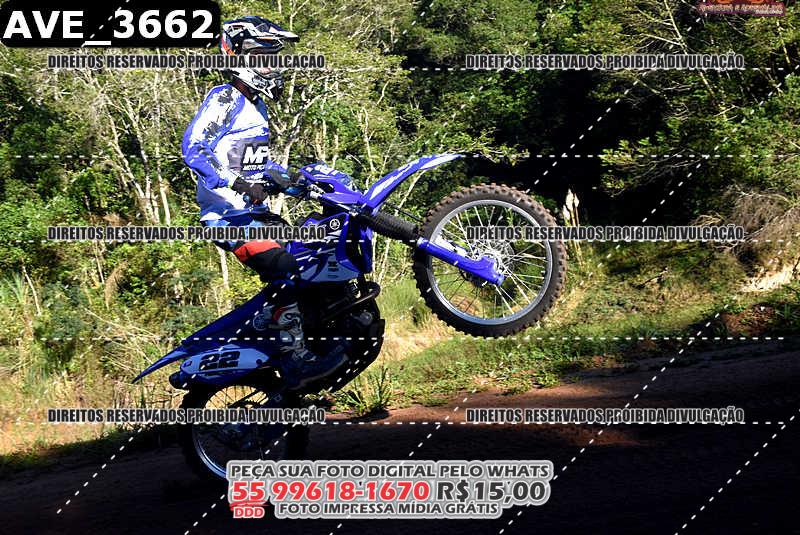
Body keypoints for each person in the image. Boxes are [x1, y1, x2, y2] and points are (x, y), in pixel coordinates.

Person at [181, 16, 345, 389]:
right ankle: (294, 360)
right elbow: (194, 149)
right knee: (284, 267)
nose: (271, 65)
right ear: (238, 56)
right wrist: (237, 182)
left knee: (315, 259)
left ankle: (294, 330)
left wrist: (299, 183)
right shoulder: (225, 98)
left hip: (256, 214)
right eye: (263, 57)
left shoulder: (258, 108)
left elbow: (259, 165)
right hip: (227, 219)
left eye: (275, 57)